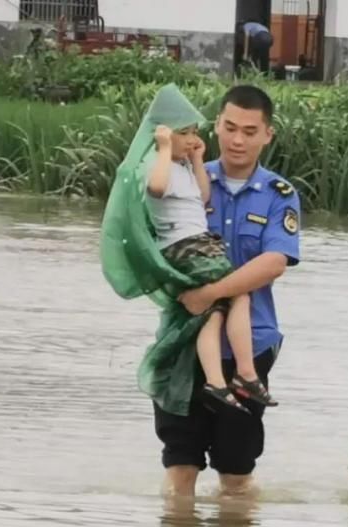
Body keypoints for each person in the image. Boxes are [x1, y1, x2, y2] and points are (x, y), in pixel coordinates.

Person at [101, 84, 300, 499]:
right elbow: (140, 238)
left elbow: (274, 263)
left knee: (236, 471)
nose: (237, 139)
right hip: (182, 343)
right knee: (180, 462)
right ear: (216, 127)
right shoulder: (184, 176)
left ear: (268, 135)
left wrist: (210, 295)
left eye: (249, 130)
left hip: (249, 345)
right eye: (229, 127)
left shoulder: (280, 194)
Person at [146, 117, 277, 414]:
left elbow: (203, 196)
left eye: (194, 133)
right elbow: (156, 188)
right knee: (239, 293)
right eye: (184, 134)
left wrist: (195, 158)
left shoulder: (183, 168)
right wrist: (165, 148)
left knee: (214, 310)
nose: (192, 138)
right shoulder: (160, 164)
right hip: (187, 246)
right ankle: (245, 372)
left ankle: (217, 381)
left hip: (199, 243)